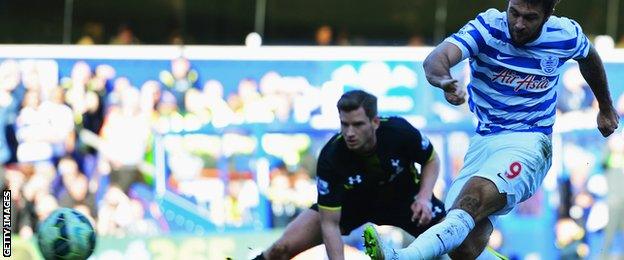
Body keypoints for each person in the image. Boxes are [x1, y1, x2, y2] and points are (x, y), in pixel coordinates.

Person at [364, 0, 620, 259]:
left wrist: (606, 107)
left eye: (530, 18)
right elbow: (436, 59)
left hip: (530, 142)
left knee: (470, 202)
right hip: (483, 142)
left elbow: (589, 57)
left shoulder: (564, 33)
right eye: (514, 13)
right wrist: (444, 80)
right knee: (462, 246)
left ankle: (401, 257)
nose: (518, 24)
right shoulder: (487, 27)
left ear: (547, 15)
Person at [254, 90, 446, 259]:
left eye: (358, 124)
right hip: (353, 205)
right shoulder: (331, 156)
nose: (349, 133)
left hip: (405, 200)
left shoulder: (399, 131)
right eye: (344, 124)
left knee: (461, 243)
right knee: (281, 249)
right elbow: (329, 225)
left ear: (375, 122)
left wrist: (424, 197)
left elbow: (431, 160)